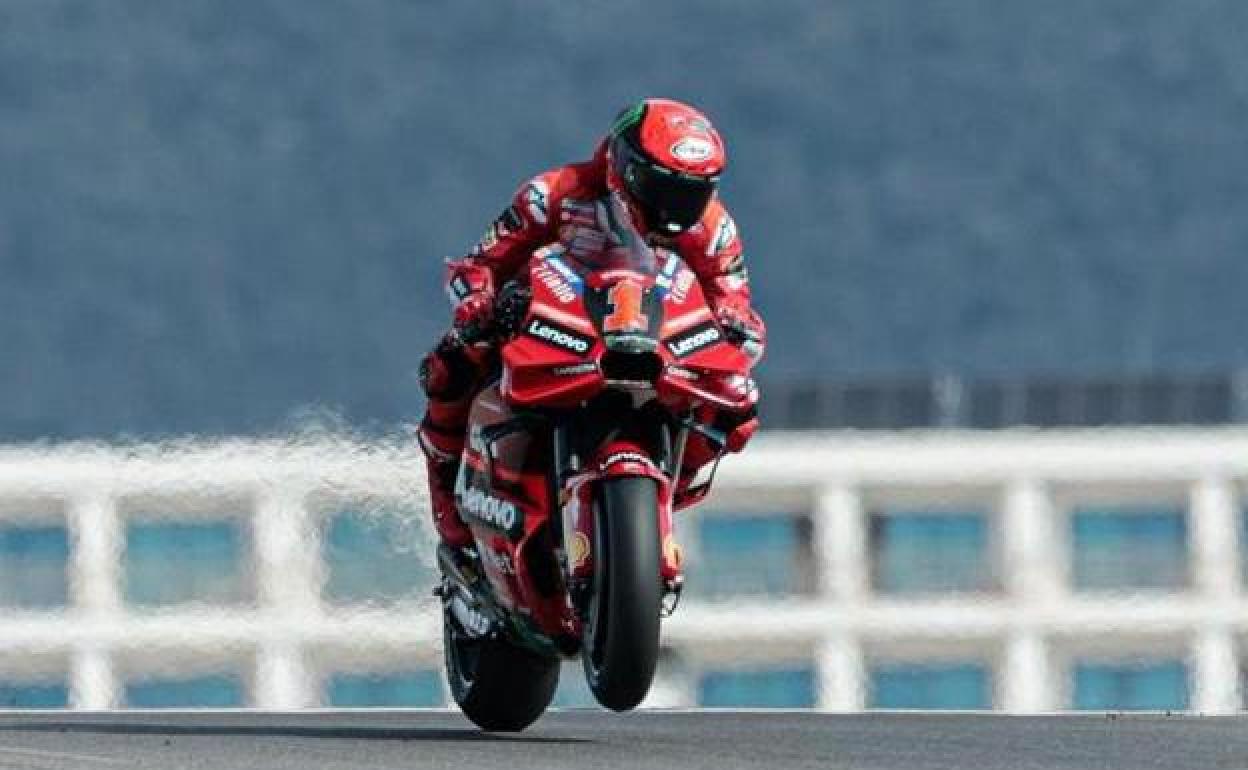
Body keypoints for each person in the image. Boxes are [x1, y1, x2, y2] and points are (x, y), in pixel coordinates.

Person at [418, 97, 765, 550]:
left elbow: (736, 305)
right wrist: (481, 305)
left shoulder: (713, 228)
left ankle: (668, 488)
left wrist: (735, 329)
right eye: (661, 189)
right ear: (625, 165)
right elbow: (476, 267)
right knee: (450, 368)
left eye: (692, 193)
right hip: (554, 328)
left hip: (658, 344)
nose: (675, 209)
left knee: (739, 402)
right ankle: (450, 509)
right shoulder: (553, 194)